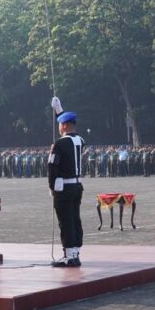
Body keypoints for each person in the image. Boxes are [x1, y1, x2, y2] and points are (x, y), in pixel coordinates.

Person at [48, 97, 85, 267]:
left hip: (63, 187)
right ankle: (75, 252)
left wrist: (51, 186)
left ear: (63, 126)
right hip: (77, 186)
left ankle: (69, 255)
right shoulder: (80, 141)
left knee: (65, 221)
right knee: (75, 218)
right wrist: (59, 110)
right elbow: (69, 132)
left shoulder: (59, 144)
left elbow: (52, 167)